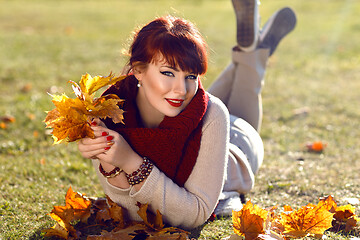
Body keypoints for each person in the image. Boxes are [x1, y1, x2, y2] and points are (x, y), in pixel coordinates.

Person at [77, 0, 296, 230]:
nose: (181, 89)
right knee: (215, 95)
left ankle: (251, 52)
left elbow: (194, 215)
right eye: (168, 72)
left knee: (223, 102)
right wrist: (109, 163)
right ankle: (252, 51)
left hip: (236, 146)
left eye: (191, 76)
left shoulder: (211, 111)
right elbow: (130, 213)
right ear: (138, 70)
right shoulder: (108, 118)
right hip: (194, 120)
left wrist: (129, 161)